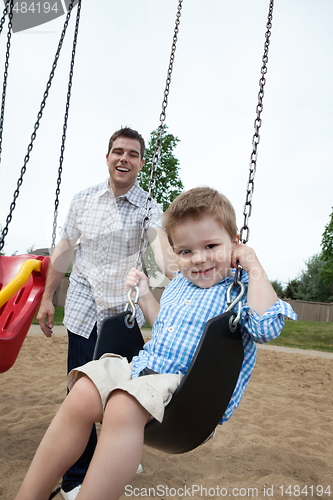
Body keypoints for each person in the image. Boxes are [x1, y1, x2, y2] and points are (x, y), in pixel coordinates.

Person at [16, 187, 296, 500]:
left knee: (123, 403)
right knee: (81, 389)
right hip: (144, 372)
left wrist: (252, 264)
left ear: (234, 245)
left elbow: (267, 327)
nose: (199, 258)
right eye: (186, 251)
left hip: (191, 395)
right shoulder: (178, 286)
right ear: (175, 254)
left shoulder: (241, 288)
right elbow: (163, 325)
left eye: (211, 246)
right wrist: (146, 293)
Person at [36, 127, 176, 500]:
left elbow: (159, 247)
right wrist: (48, 298)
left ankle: (114, 453)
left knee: (120, 395)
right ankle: (75, 479)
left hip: (121, 313)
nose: (124, 159)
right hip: (83, 305)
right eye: (118, 151)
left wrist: (179, 264)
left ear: (141, 163)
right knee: (81, 391)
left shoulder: (148, 206)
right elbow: (63, 253)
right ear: (108, 156)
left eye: (132, 154)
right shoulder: (83, 200)